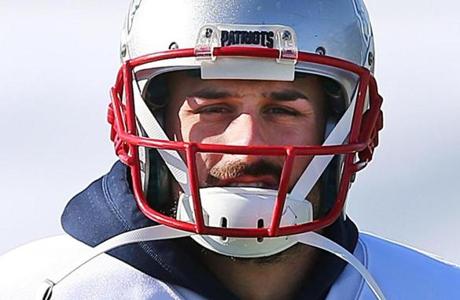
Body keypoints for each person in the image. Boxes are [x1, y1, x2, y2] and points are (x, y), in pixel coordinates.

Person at [1, 0, 459, 299]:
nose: (246, 142)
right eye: (213, 108)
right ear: (146, 117)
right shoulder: (34, 289)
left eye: (284, 110)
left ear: (344, 124)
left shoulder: (430, 291)